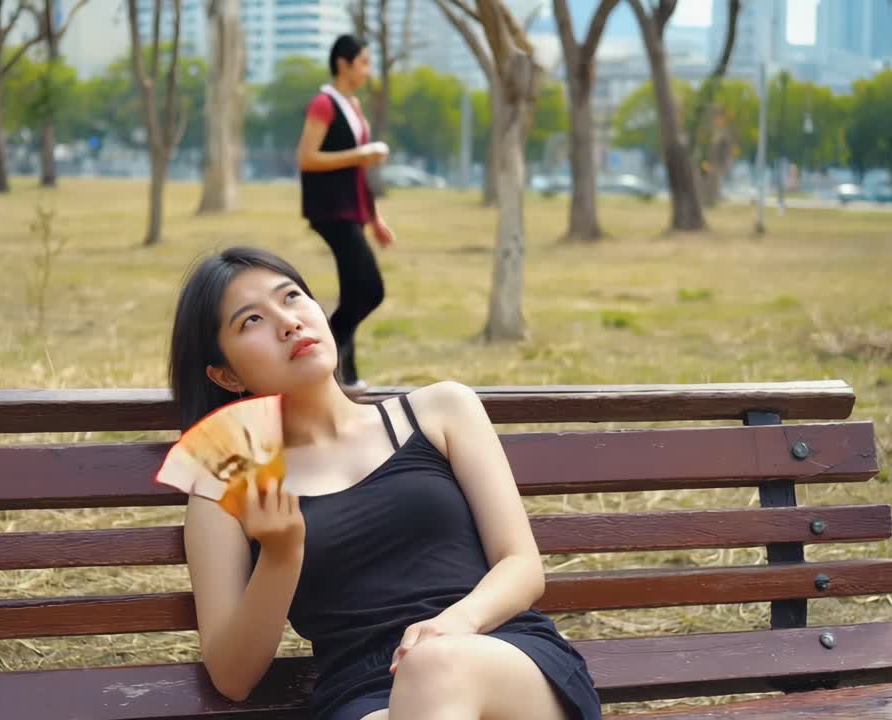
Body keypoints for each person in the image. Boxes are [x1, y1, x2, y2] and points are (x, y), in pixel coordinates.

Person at [168, 246, 602, 720]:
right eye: (251, 320)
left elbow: (521, 565)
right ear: (225, 374)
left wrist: (454, 624)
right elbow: (233, 677)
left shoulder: (441, 410)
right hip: (363, 698)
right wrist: (281, 556)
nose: (287, 322)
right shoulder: (224, 488)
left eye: (291, 297)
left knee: (436, 666)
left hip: (501, 656)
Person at [297, 34, 395, 397]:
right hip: (330, 210)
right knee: (370, 289)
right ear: (344, 63)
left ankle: (343, 373)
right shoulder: (324, 103)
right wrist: (361, 154)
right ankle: (329, 355)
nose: (368, 70)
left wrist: (374, 218)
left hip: (351, 210)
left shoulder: (353, 105)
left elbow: (359, 171)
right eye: (364, 62)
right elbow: (307, 157)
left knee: (358, 290)